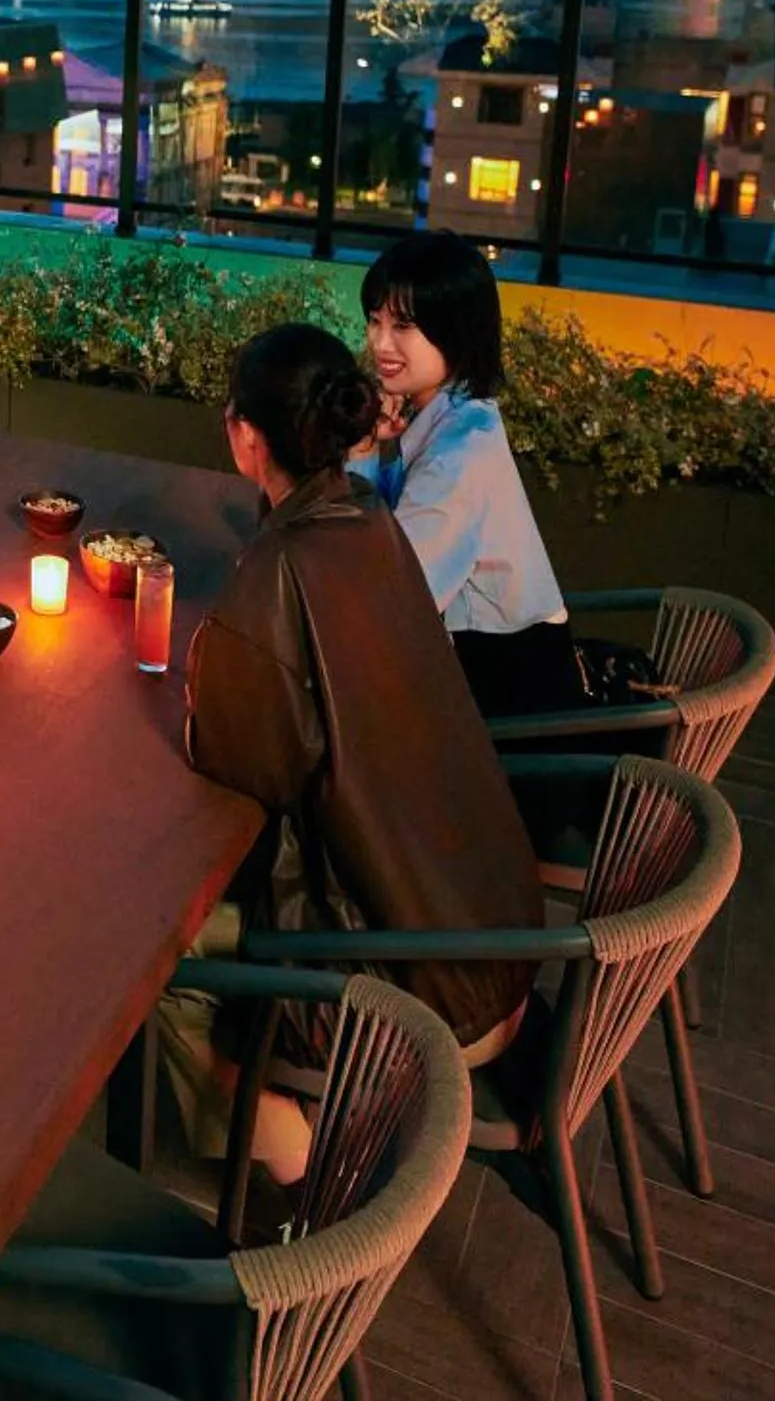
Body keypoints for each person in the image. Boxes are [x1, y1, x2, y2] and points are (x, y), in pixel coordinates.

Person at [160, 322, 543, 1172]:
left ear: (246, 436)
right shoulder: (369, 516)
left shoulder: (276, 580)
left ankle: (270, 1149)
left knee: (161, 943)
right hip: (496, 928)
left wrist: (207, 675)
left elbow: (238, 771)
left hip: (413, 980)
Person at [357, 230, 581, 717]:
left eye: (403, 326)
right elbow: (378, 533)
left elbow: (390, 596)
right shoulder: (457, 415)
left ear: (456, 331)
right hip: (484, 669)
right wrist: (368, 446)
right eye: (375, 321)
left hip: (509, 707)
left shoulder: (458, 456)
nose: (380, 342)